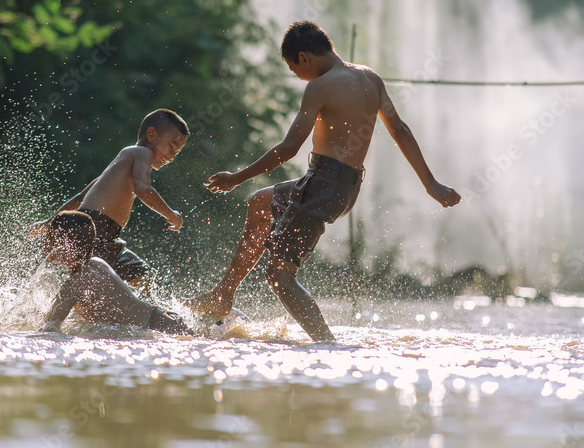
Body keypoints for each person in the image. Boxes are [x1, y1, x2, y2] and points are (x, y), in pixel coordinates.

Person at [186, 21, 461, 342]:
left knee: (278, 276)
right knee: (260, 203)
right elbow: (399, 129)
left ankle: (327, 344)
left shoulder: (319, 86)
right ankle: (223, 295)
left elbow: (289, 148)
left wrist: (237, 177)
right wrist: (431, 184)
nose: (296, 75)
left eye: (293, 68)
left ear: (304, 57)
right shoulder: (370, 78)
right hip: (344, 187)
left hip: (321, 185)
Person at [28, 108, 189, 301]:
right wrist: (171, 215)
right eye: (171, 146)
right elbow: (144, 190)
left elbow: (81, 196)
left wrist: (50, 222)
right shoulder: (141, 152)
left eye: (177, 153)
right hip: (96, 234)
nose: (172, 157)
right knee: (142, 284)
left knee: (141, 281)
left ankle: (87, 318)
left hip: (103, 236)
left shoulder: (121, 163)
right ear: (152, 134)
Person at [37, 210, 190, 334]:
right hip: (165, 320)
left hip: (159, 329)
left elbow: (49, 328)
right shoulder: (98, 263)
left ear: (64, 244)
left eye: (49, 236)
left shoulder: (74, 284)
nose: (45, 241)